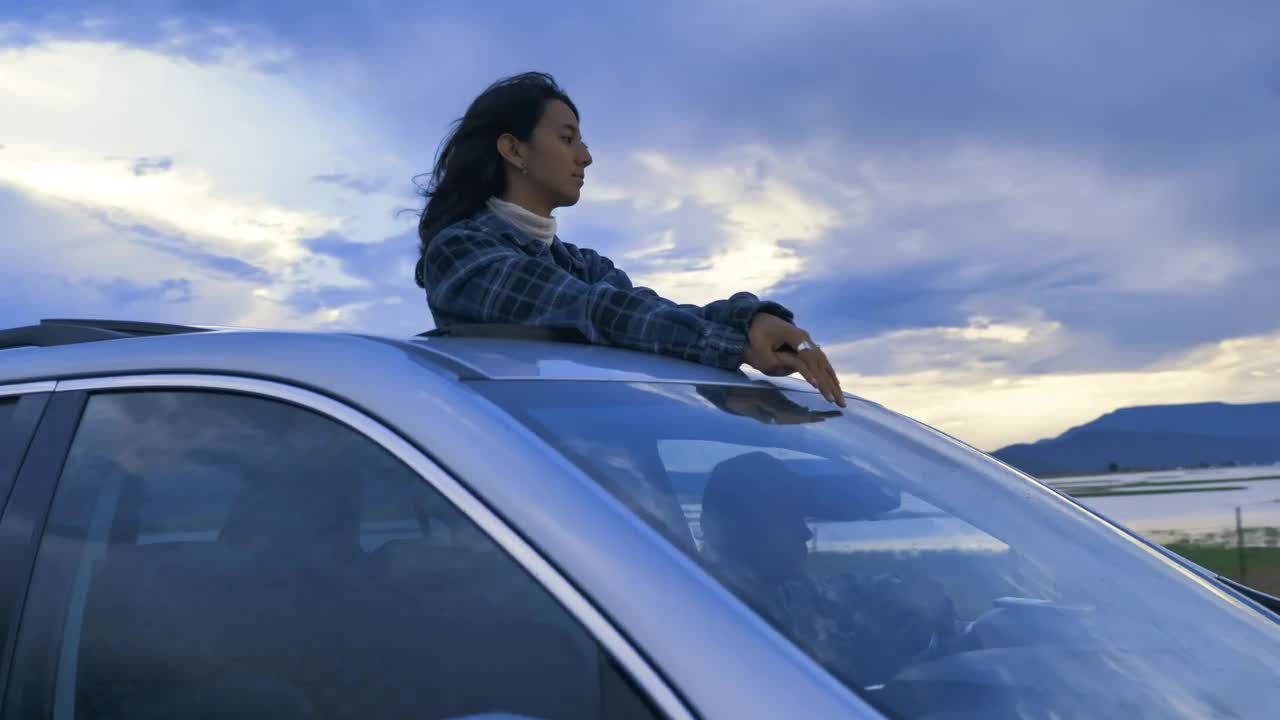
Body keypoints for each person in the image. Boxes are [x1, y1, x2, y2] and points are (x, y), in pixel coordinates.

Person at [414, 72, 846, 407]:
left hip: (593, 470)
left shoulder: (584, 266)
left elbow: (650, 313)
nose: (585, 156)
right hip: (515, 484)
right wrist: (736, 344)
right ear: (514, 150)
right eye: (567, 139)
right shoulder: (460, 253)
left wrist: (747, 320)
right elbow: (595, 312)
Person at [699, 452, 957, 685]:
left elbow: (832, 600)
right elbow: (835, 672)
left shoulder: (776, 584)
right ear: (740, 528)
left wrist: (904, 594)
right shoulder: (723, 606)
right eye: (786, 518)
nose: (805, 533)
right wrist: (907, 617)